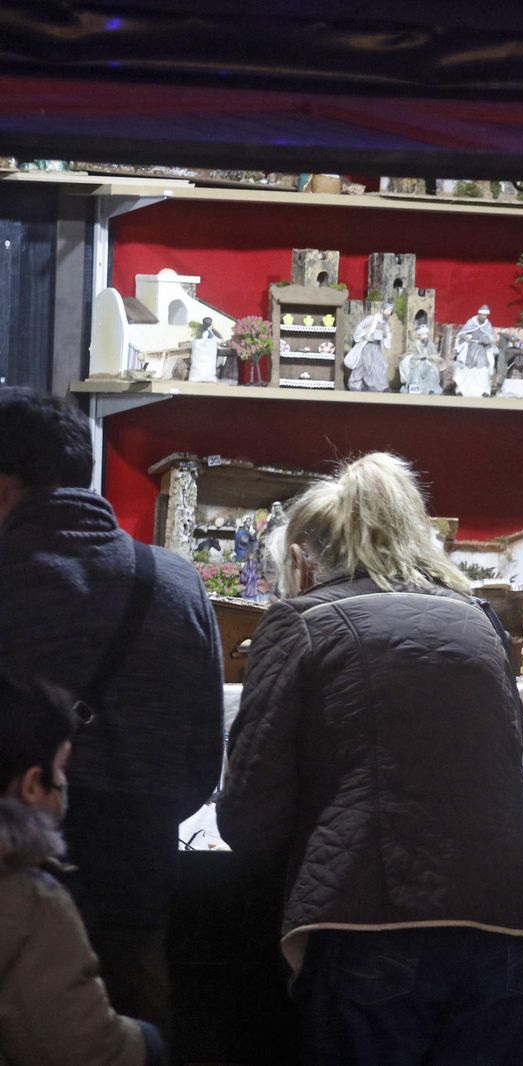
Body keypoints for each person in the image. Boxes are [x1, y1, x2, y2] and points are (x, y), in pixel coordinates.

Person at [217, 452, 523, 1065]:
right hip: (510, 919)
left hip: (370, 918)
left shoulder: (300, 623)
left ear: (300, 559)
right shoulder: (479, 620)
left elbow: (249, 813)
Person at [0, 387, 223, 1036]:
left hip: (8, 889)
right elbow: (202, 762)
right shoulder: (176, 584)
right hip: (136, 881)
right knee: (128, 1037)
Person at [0, 670, 164, 1066]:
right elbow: (83, 1050)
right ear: (33, 785)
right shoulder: (31, 900)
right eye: (61, 767)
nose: (64, 781)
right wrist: (149, 1043)